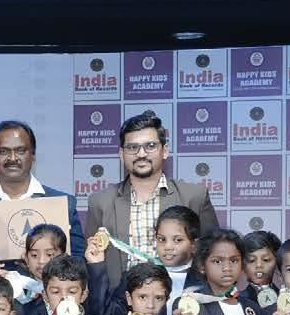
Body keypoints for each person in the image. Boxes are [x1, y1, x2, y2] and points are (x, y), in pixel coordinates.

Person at [84, 111, 220, 280]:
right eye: (132, 147)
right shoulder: (100, 202)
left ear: (165, 151)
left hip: (180, 294)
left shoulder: (194, 196)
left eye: (150, 146)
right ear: (121, 154)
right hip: (120, 295)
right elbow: (92, 261)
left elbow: (215, 254)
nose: (141, 154)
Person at [0, 120, 86, 260]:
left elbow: (77, 261)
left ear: (33, 155)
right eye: (3, 151)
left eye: (20, 151)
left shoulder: (63, 204)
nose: (12, 158)